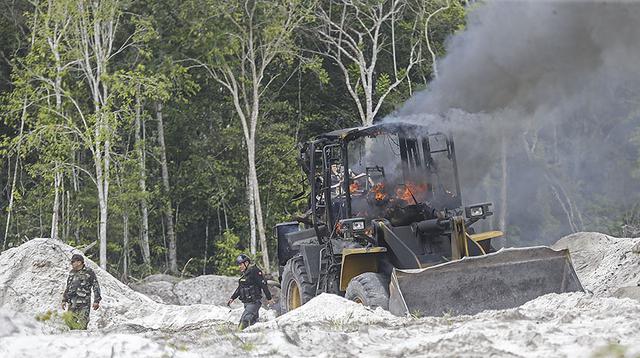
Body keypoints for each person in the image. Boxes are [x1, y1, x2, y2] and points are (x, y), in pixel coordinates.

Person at [227, 254, 274, 330]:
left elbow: (263, 285)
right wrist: (232, 298)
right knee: (252, 325)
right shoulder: (245, 274)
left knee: (244, 322)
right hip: (247, 304)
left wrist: (269, 298)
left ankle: (237, 338)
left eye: (241, 264)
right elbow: (240, 288)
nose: (239, 266)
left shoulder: (255, 271)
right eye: (238, 265)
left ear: (246, 263)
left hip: (254, 303)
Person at [61, 253, 101, 330]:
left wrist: (97, 300)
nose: (71, 264)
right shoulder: (72, 272)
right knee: (70, 324)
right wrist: (64, 300)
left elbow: (96, 286)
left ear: (79, 262)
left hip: (84, 304)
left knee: (83, 325)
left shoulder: (89, 272)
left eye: (73, 262)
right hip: (72, 303)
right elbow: (68, 286)